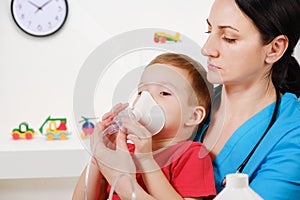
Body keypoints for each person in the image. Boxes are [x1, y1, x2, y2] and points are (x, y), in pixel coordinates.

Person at [75, 0, 300, 198]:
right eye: (208, 31)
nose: (207, 49)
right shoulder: (185, 103)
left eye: (229, 38)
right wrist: (101, 157)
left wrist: (124, 184)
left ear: (274, 48)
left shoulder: (291, 135)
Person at [73, 53, 216, 200]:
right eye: (142, 92)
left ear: (193, 116)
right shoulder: (125, 152)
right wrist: (100, 154)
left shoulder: (190, 155)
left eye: (164, 93)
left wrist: (146, 160)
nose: (146, 100)